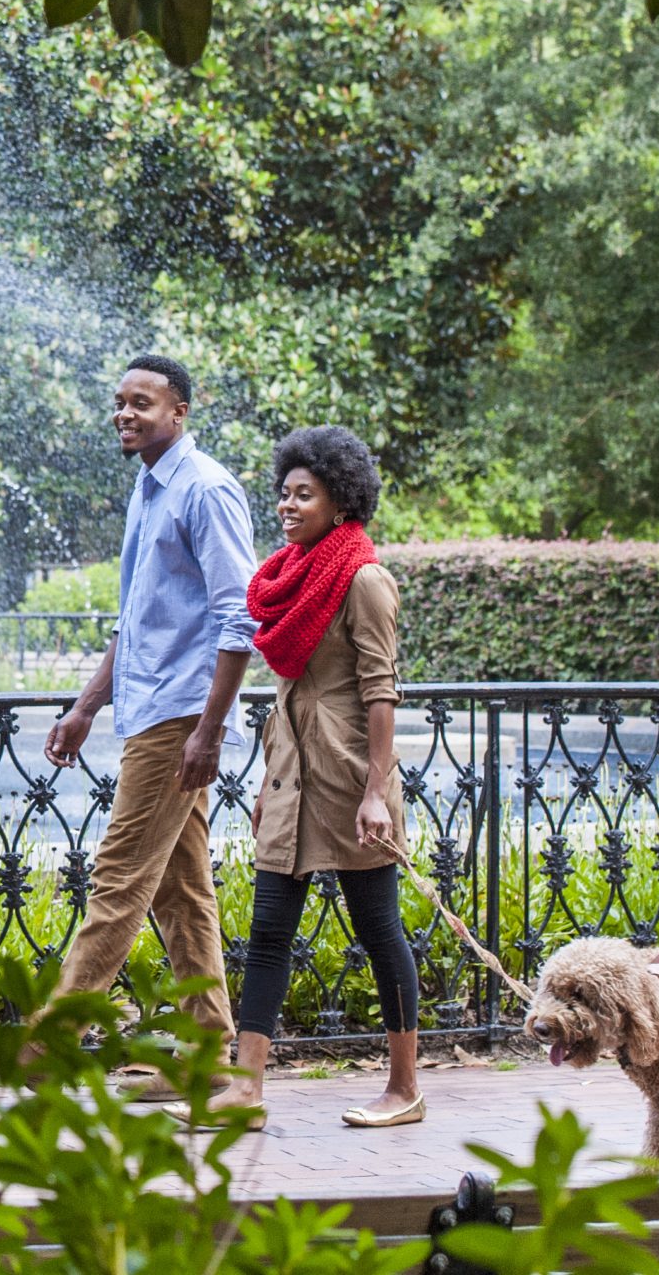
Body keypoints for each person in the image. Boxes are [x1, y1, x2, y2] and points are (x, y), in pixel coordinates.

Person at [19, 354, 257, 1074]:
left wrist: (208, 731)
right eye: (120, 402)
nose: (125, 413)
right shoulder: (149, 488)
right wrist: (85, 707)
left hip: (181, 719)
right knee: (182, 897)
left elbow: (239, 617)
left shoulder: (205, 489)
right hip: (154, 711)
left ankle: (41, 1044)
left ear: (179, 411)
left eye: (142, 402)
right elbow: (136, 620)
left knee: (119, 879)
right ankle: (209, 1058)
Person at [207, 425, 422, 1129]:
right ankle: (245, 1087)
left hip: (351, 780)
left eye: (306, 494)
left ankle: (404, 1086)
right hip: (290, 775)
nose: (288, 505)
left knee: (378, 929)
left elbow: (381, 691)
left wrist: (374, 795)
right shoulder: (287, 578)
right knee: (268, 929)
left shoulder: (363, 579)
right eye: (284, 493)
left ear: (341, 500)